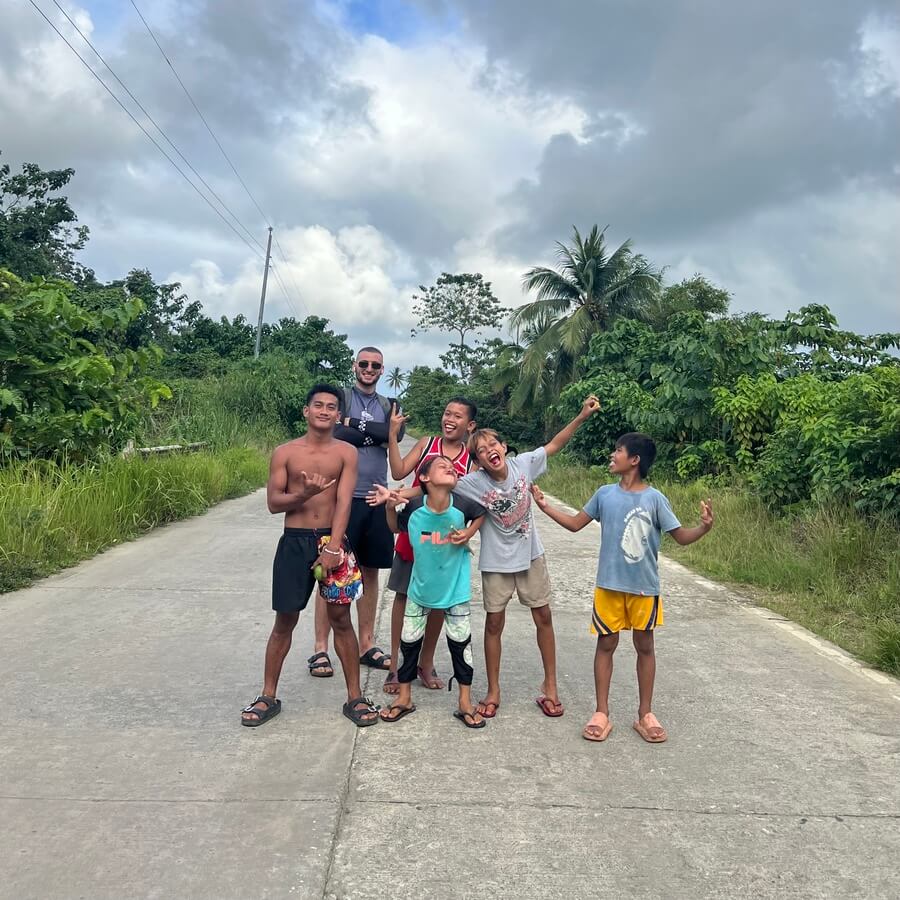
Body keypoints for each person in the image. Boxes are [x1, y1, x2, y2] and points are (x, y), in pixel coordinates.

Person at [371, 396, 601, 719]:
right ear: (477, 460)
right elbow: (428, 489)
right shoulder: (470, 482)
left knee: (544, 617)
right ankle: (492, 690)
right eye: (481, 450)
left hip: (531, 555)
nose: (489, 450)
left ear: (504, 447)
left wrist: (581, 416)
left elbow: (554, 445)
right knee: (493, 623)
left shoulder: (524, 465)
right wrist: (395, 495)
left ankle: (551, 686)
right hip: (496, 563)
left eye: (494, 444)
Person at [532, 432, 714, 743]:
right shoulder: (604, 494)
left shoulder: (655, 498)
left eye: (618, 450)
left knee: (645, 647)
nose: (612, 455)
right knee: (606, 646)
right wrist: (545, 507)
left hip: (644, 589)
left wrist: (704, 527)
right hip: (609, 587)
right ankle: (601, 713)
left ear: (635, 460)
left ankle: (645, 714)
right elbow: (576, 524)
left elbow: (680, 537)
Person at [241, 384, 380, 729]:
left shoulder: (346, 453)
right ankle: (267, 695)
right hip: (294, 541)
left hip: (332, 543)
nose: (324, 411)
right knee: (284, 621)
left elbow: (345, 502)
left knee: (341, 620)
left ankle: (355, 696)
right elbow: (274, 504)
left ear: (338, 415)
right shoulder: (285, 453)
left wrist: (334, 547)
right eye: (317, 405)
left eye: (331, 407)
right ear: (306, 411)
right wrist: (303, 493)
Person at [306, 347, 402, 680]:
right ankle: (321, 648)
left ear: (382, 370)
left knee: (371, 573)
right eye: (364, 363)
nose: (369, 369)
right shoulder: (342, 398)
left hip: (376, 498)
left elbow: (392, 436)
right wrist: (371, 431)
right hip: (339, 498)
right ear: (355, 366)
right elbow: (338, 432)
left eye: (375, 365)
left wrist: (356, 429)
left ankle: (366, 644)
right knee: (330, 570)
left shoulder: (391, 405)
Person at [377, 456, 487, 728]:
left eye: (452, 466)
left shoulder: (462, 506)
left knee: (461, 646)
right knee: (408, 644)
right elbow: (394, 527)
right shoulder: (414, 508)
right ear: (424, 478)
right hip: (419, 589)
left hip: (456, 590)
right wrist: (390, 507)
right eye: (441, 466)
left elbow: (482, 513)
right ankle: (404, 697)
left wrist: (470, 532)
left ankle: (464, 701)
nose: (450, 467)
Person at [382, 397, 478, 694]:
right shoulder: (427, 443)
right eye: (447, 412)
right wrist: (392, 433)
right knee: (403, 595)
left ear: (469, 425)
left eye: (458, 416)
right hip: (416, 533)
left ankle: (425, 662)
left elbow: (466, 500)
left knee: (439, 602)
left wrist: (404, 495)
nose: (450, 419)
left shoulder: (470, 460)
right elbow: (398, 471)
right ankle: (397, 667)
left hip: (446, 542)